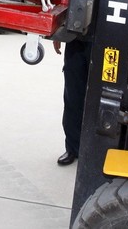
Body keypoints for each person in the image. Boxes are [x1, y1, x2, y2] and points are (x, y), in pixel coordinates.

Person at [53, 38, 92, 166]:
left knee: (100, 98)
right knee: (73, 96)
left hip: (109, 37)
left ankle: (97, 150)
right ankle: (73, 148)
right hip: (77, 37)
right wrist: (58, 34)